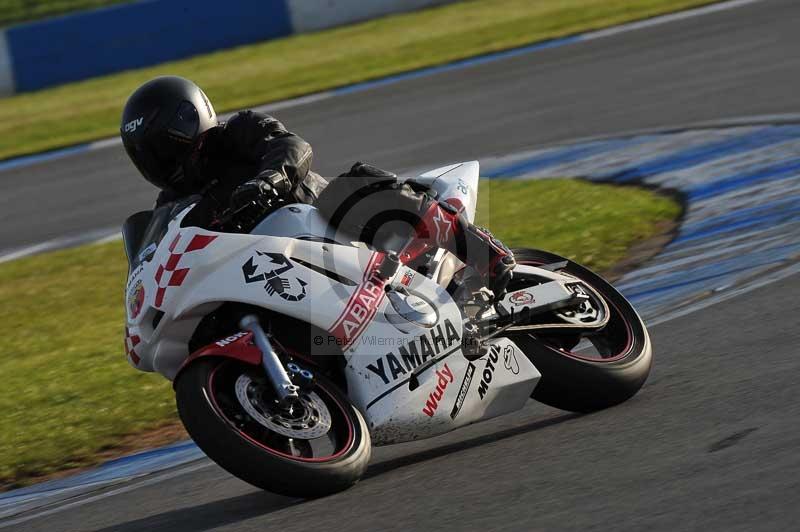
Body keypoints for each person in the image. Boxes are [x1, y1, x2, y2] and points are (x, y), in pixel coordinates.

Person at [120, 76, 514, 294]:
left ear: (189, 120)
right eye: (148, 153)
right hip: (276, 265)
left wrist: (270, 178)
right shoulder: (172, 203)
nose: (160, 160)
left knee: (349, 188)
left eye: (163, 145)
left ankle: (484, 252)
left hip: (320, 223)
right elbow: (172, 253)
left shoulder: (238, 131)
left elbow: (292, 146)